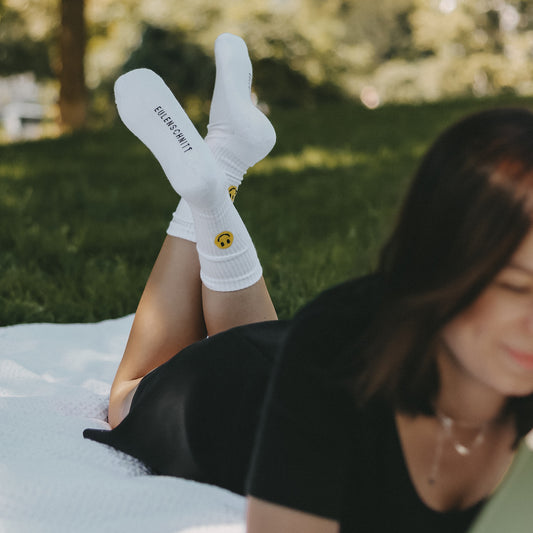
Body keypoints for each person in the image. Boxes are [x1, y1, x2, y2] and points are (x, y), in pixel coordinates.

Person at [84, 33, 533, 533]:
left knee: (269, 346)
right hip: (213, 395)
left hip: (279, 349)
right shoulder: (336, 359)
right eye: (515, 287)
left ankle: (222, 170)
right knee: (126, 398)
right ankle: (212, 191)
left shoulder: (349, 339)